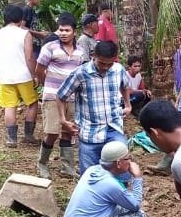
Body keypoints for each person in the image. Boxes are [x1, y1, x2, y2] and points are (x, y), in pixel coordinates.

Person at [62, 140, 148, 217]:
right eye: (128, 158)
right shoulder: (110, 184)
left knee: (120, 206)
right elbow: (136, 205)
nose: (130, 162)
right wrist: (137, 178)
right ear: (118, 163)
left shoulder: (92, 170)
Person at [56, 39, 131, 174]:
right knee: (90, 174)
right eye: (102, 63)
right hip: (90, 130)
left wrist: (128, 105)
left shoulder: (118, 69)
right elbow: (61, 95)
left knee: (121, 168)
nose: (106, 67)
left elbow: (125, 86)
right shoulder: (80, 73)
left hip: (114, 126)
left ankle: (118, 193)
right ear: (93, 56)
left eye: (109, 63)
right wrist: (63, 120)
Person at [34, 12, 88, 179]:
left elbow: (81, 73)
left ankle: (67, 167)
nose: (63, 33)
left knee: (68, 132)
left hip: (72, 97)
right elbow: (39, 70)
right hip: (52, 96)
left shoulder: (80, 52)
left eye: (67, 30)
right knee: (51, 132)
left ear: (74, 32)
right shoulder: (49, 48)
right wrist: (47, 85)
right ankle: (42, 163)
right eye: (61, 30)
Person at [0, 3, 39, 147]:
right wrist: (35, 74)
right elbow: (29, 57)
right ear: (20, 18)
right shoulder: (25, 34)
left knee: (9, 106)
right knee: (32, 103)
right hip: (24, 75)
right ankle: (29, 135)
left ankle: (11, 139)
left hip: (6, 76)